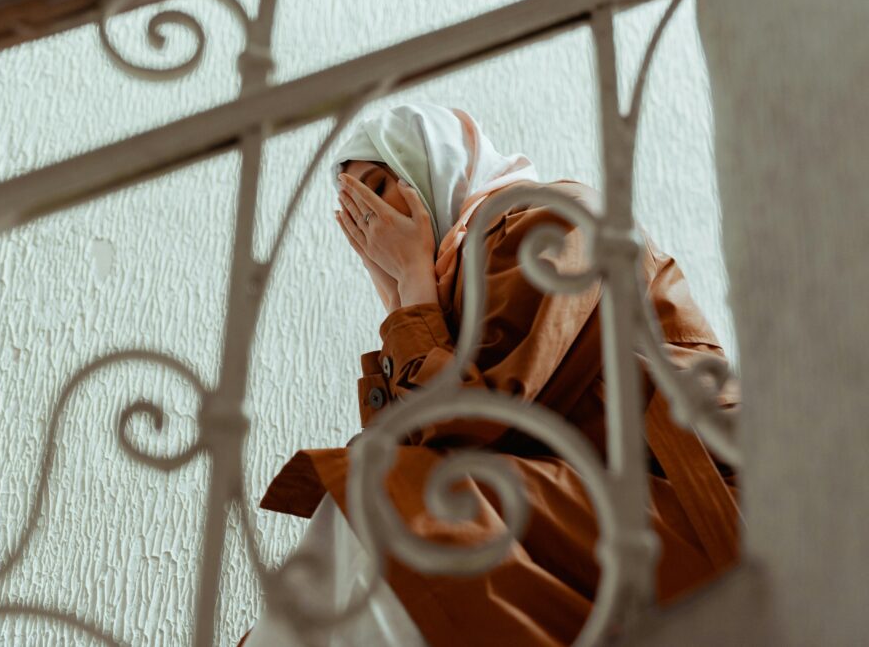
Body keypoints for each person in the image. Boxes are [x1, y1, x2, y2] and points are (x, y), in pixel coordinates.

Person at [241, 102, 741, 647]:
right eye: (355, 213)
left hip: (691, 503)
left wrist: (411, 288)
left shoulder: (553, 218)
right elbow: (414, 442)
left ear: (430, 168)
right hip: (595, 506)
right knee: (365, 506)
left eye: (378, 189)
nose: (372, 224)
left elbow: (483, 420)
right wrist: (400, 301)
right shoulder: (453, 288)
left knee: (386, 499)